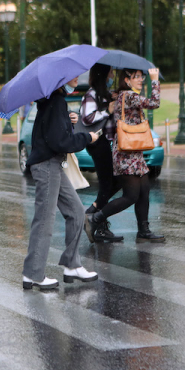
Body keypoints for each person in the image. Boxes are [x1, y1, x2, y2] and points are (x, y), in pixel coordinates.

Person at [22, 75, 100, 291]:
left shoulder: (53, 102)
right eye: (72, 75)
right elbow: (59, 142)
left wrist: (68, 119)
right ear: (60, 79)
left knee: (76, 211)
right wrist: (87, 138)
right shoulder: (55, 102)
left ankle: (72, 265)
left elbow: (53, 134)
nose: (76, 78)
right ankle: (33, 273)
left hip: (52, 165)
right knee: (44, 220)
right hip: (47, 166)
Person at [87, 68, 165, 243]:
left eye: (141, 76)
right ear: (127, 80)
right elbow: (154, 103)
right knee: (131, 196)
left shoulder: (123, 95)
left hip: (134, 150)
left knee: (144, 189)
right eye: (135, 77)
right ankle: (96, 218)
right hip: (126, 152)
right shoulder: (129, 95)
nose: (140, 80)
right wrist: (155, 80)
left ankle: (143, 230)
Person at [79, 64, 123, 243]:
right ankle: (93, 215)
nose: (112, 75)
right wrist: (107, 111)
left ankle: (97, 216)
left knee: (114, 181)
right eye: (110, 72)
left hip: (106, 142)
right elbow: (87, 117)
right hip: (98, 143)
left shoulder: (104, 94)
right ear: (103, 75)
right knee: (107, 184)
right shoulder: (91, 95)